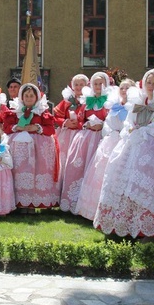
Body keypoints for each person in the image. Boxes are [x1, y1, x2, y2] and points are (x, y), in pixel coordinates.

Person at [94, 68, 154, 238]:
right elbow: (128, 123)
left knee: (151, 178)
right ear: (143, 84)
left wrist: (147, 130)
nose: (152, 86)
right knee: (120, 175)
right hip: (134, 145)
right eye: (149, 82)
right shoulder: (138, 103)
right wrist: (132, 129)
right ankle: (126, 226)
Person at [76, 78, 134, 221]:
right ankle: (93, 209)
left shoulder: (135, 107)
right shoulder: (114, 105)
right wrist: (112, 133)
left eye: (128, 88)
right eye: (122, 88)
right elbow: (108, 123)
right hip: (111, 141)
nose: (124, 91)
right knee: (100, 175)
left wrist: (123, 135)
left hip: (126, 143)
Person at [3, 82, 59, 211]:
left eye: (31, 96)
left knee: (37, 173)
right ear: (21, 97)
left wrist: (36, 127)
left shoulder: (42, 112)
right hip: (19, 149)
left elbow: (51, 129)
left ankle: (35, 202)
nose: (28, 98)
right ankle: (20, 202)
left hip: (38, 149)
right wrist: (17, 127)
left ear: (36, 98)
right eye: (26, 96)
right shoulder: (14, 111)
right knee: (19, 172)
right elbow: (6, 127)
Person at [62, 72, 112, 214]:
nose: (98, 86)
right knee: (77, 167)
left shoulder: (110, 101)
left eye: (100, 83)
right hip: (85, 138)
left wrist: (102, 125)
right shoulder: (87, 101)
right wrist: (86, 125)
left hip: (101, 138)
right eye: (95, 83)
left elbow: (112, 120)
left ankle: (92, 205)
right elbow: (80, 119)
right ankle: (74, 202)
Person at [53, 74, 88, 179]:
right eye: (76, 84)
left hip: (81, 135)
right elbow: (55, 117)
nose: (78, 87)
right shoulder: (67, 101)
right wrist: (65, 122)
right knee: (63, 160)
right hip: (66, 136)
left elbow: (92, 118)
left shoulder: (90, 101)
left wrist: (80, 124)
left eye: (81, 84)